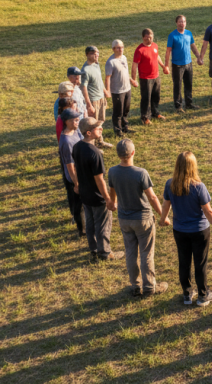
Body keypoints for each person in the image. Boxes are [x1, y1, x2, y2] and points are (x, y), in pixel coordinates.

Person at [160, 151, 212, 306]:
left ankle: (187, 294)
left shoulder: (170, 184)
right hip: (199, 231)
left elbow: (166, 205)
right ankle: (202, 295)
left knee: (184, 262)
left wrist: (163, 219)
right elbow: (208, 211)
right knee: (200, 263)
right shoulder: (198, 187)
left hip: (180, 231)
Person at [107, 139, 168, 296]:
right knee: (146, 253)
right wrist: (163, 215)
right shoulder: (141, 173)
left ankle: (135, 285)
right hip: (143, 218)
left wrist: (113, 203)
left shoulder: (113, 171)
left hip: (124, 219)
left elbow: (112, 191)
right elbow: (153, 197)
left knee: (130, 252)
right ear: (133, 153)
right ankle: (149, 286)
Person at [72, 118, 122, 261]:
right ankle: (105, 253)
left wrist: (77, 185)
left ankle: (93, 248)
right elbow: (99, 179)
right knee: (103, 225)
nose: (101, 129)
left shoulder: (76, 147)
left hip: (85, 193)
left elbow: (76, 168)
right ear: (88, 132)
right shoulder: (95, 153)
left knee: (90, 222)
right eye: (97, 128)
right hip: (97, 196)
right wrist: (108, 199)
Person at [57, 108, 85, 238]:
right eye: (75, 120)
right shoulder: (66, 142)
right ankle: (82, 230)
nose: (77, 121)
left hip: (82, 172)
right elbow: (70, 165)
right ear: (67, 122)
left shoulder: (76, 130)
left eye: (78, 119)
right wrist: (76, 183)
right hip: (74, 177)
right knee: (78, 206)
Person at [131, 28, 166, 125]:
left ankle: (155, 113)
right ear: (143, 38)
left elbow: (157, 56)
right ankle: (145, 117)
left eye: (150, 37)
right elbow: (134, 65)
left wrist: (163, 66)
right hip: (145, 78)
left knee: (156, 96)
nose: (149, 40)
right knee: (146, 98)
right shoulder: (139, 50)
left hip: (156, 76)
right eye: (146, 38)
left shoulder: (155, 45)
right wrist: (133, 79)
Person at [164, 15, 197, 112]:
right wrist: (166, 65)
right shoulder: (172, 35)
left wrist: (199, 57)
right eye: (180, 21)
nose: (182, 23)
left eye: (184, 21)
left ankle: (189, 104)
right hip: (177, 65)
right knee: (177, 86)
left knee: (189, 84)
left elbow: (193, 47)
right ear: (176, 23)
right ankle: (178, 106)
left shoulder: (189, 33)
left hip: (188, 63)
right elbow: (168, 51)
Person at [104, 39, 136, 136]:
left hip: (127, 88)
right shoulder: (111, 62)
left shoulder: (124, 58)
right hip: (117, 91)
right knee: (118, 111)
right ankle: (118, 130)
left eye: (122, 47)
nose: (121, 49)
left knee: (126, 109)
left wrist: (132, 81)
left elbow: (125, 72)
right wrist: (108, 91)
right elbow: (107, 78)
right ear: (113, 49)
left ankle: (124, 126)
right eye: (118, 48)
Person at [80, 46, 112, 142]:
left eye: (97, 52)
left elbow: (99, 80)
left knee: (100, 122)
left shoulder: (96, 64)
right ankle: (92, 144)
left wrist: (105, 91)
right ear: (87, 55)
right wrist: (89, 105)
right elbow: (83, 87)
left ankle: (100, 141)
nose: (96, 55)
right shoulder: (85, 70)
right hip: (93, 100)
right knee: (93, 125)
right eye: (92, 53)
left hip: (101, 98)